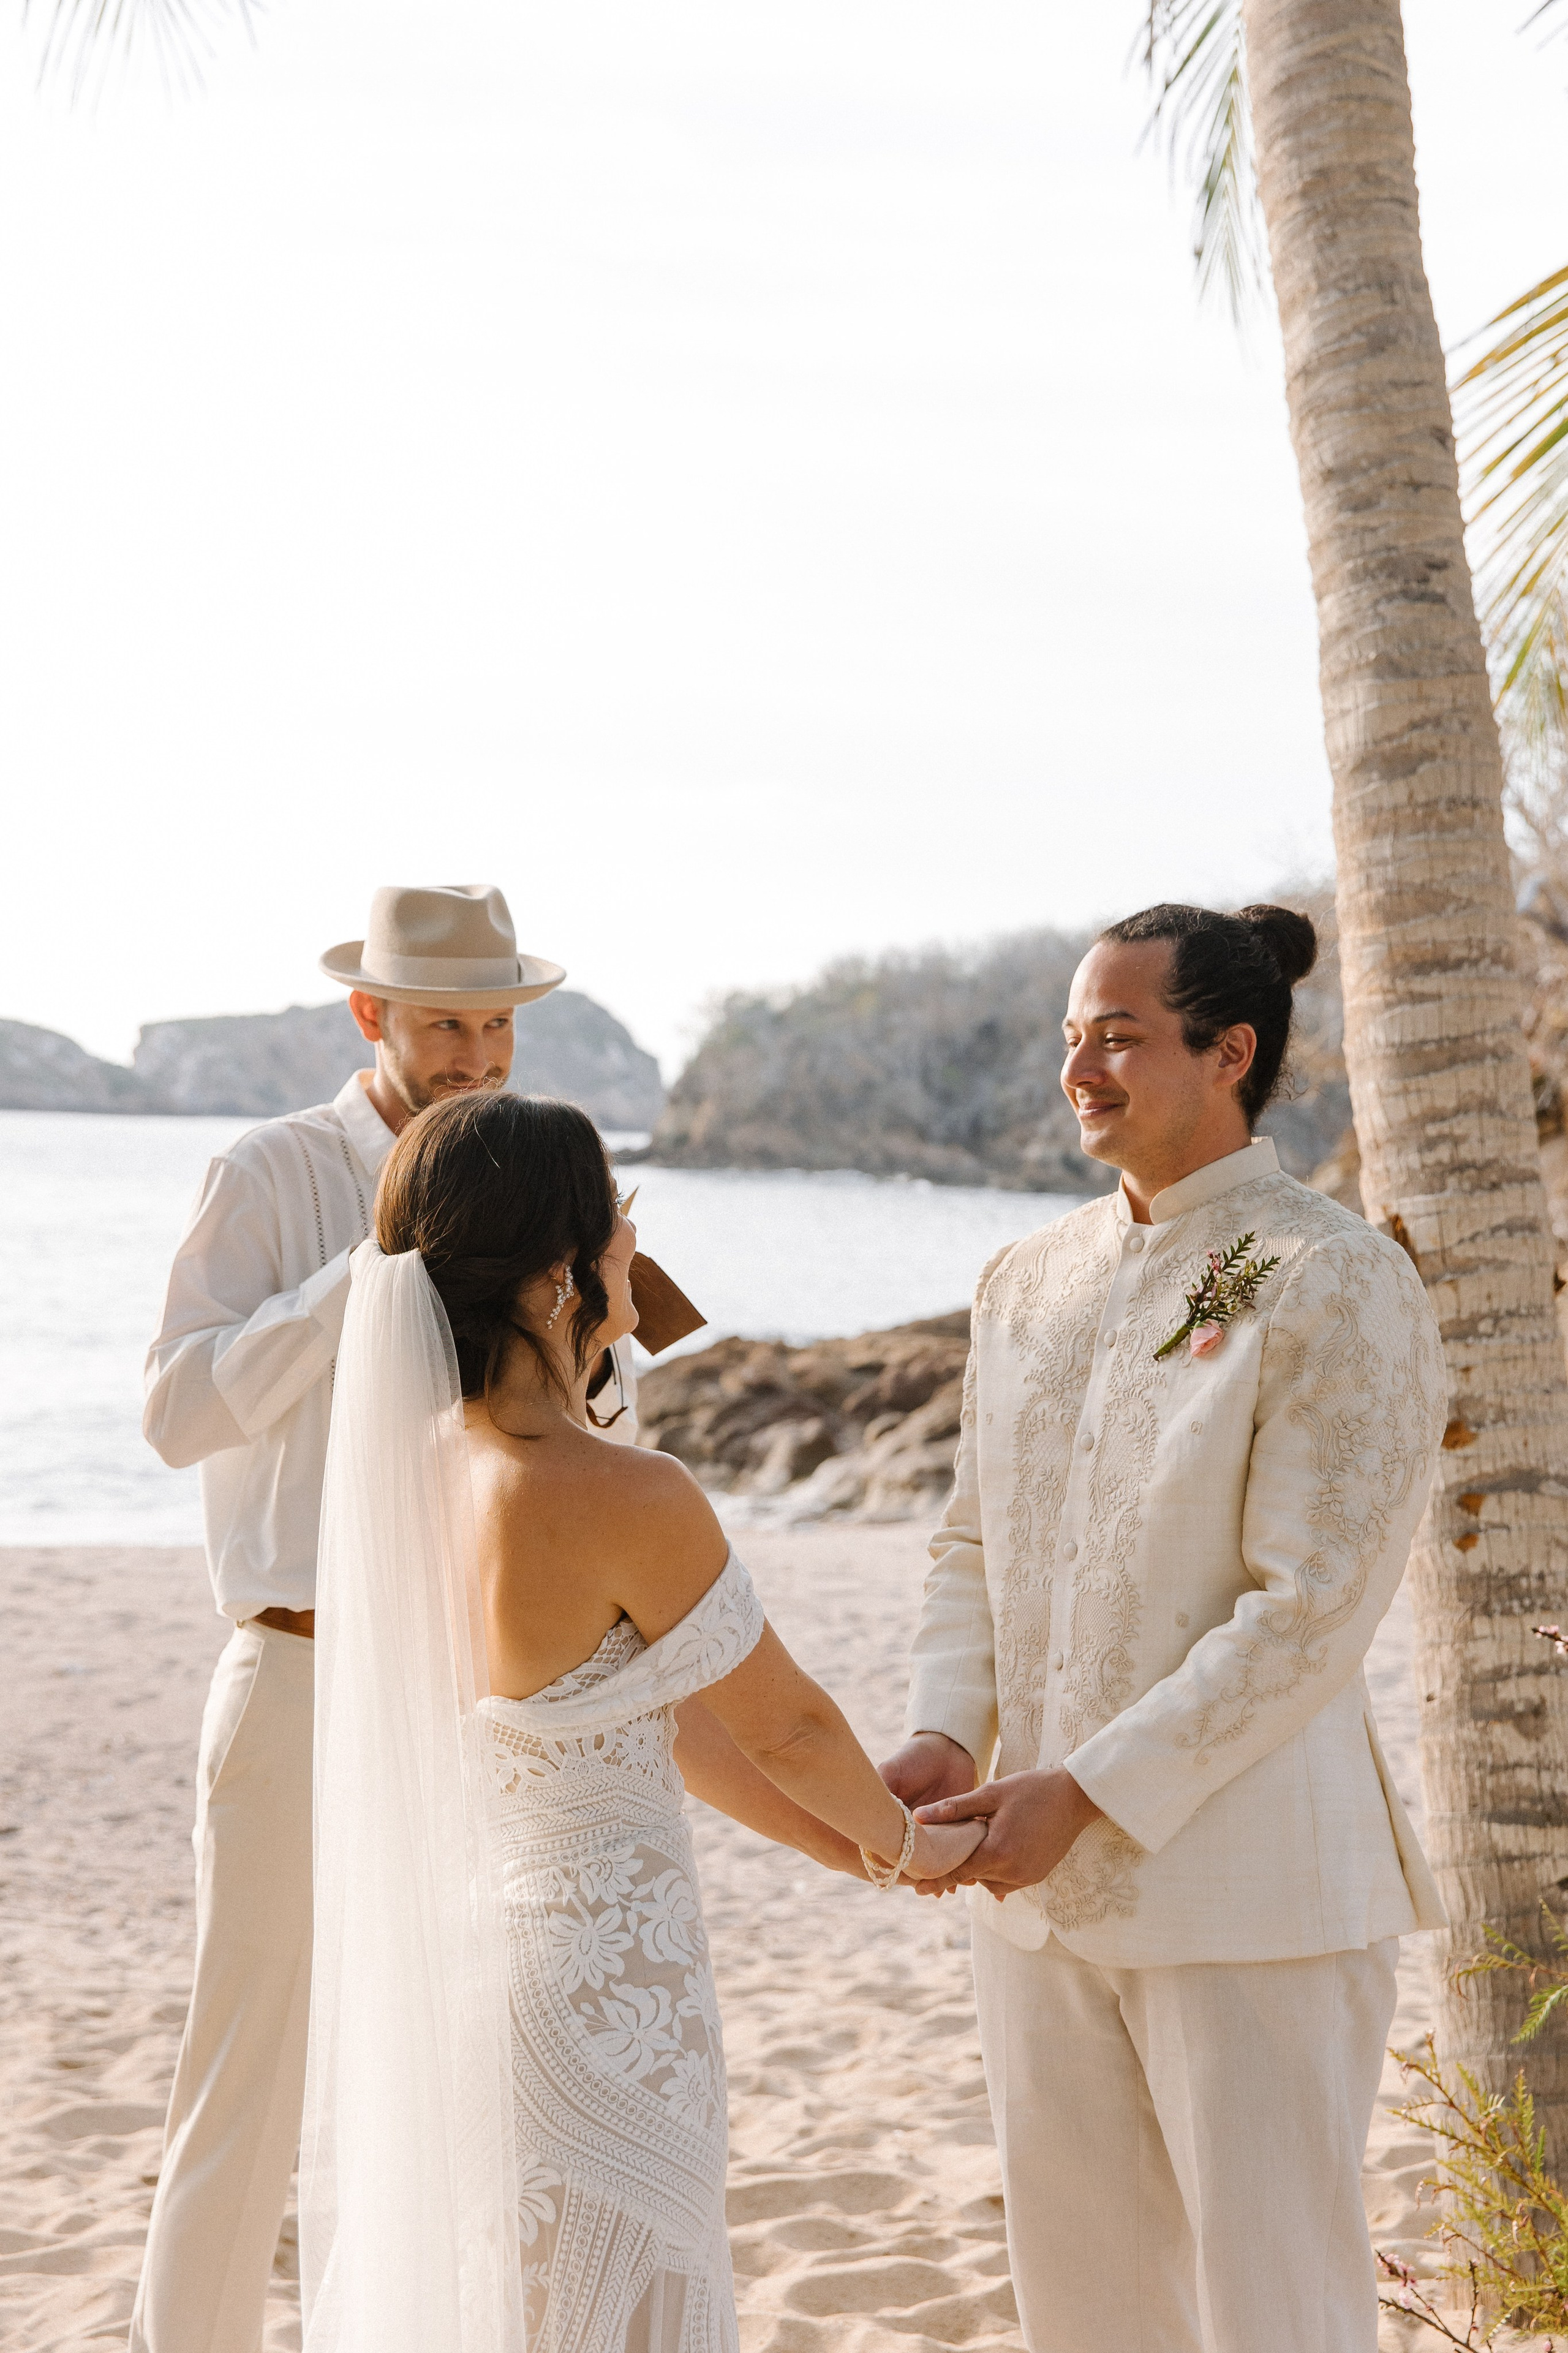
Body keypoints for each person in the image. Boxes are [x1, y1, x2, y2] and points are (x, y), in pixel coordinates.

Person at [299, 1089, 982, 2353]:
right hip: (611, 1991)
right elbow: (782, 1727)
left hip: (473, 1973)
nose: (631, 1249)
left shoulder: (414, 1483)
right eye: (616, 1224)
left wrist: (860, 1847)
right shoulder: (622, 1490)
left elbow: (668, 1727)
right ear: (562, 1270)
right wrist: (908, 1841)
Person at [882, 902, 1449, 2353]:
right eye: (1071, 1038)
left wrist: (1090, 1790)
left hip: (1249, 1896)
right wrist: (949, 1731)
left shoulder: (1327, 1272)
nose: (1080, 1067)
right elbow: (970, 1541)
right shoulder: (1029, 1279)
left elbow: (1309, 1608)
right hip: (1027, 1885)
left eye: (1118, 1037)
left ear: (1228, 1051)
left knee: (1279, 2308)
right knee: (1086, 2308)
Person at [132, 884, 627, 2353]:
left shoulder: (539, 1181)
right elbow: (173, 1413)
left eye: (495, 1024)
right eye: (445, 1023)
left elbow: (590, 1414)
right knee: (252, 2072)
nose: (476, 1054)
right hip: (299, 1675)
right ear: (373, 1017)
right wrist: (374, 1278)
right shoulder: (270, 1168)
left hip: (480, 1692)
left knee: (457, 2057)